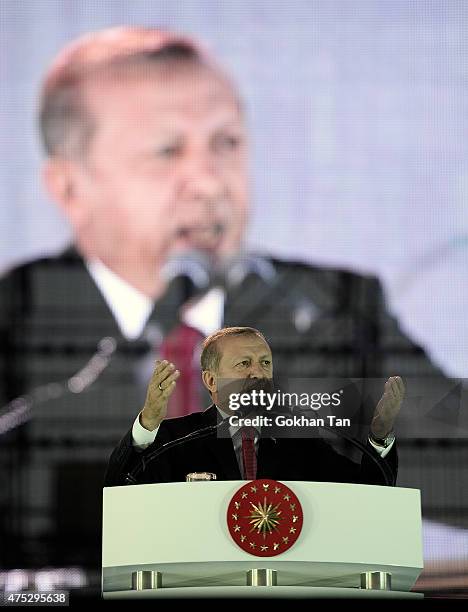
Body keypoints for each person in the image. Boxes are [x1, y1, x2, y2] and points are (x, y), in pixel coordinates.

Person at [0, 26, 444, 568]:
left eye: (226, 143)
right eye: (167, 151)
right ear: (70, 186)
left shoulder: (327, 309)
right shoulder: (14, 318)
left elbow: (456, 464)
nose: (210, 182)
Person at [104, 327, 404, 487]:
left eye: (265, 364)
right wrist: (147, 426)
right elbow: (122, 489)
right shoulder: (177, 439)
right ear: (210, 380)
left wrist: (379, 436)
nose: (257, 373)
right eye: (244, 364)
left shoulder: (301, 440)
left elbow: (368, 491)